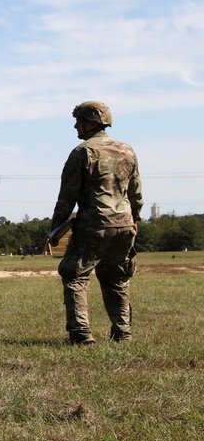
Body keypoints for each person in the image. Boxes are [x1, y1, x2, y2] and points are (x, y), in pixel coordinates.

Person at [48, 101, 142, 345]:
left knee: (75, 275)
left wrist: (55, 230)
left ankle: (81, 334)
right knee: (117, 278)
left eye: (79, 121)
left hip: (94, 224)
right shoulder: (127, 151)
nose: (75, 126)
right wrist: (135, 221)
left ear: (92, 122)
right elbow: (136, 193)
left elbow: (66, 197)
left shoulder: (83, 152)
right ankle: (122, 332)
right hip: (124, 224)